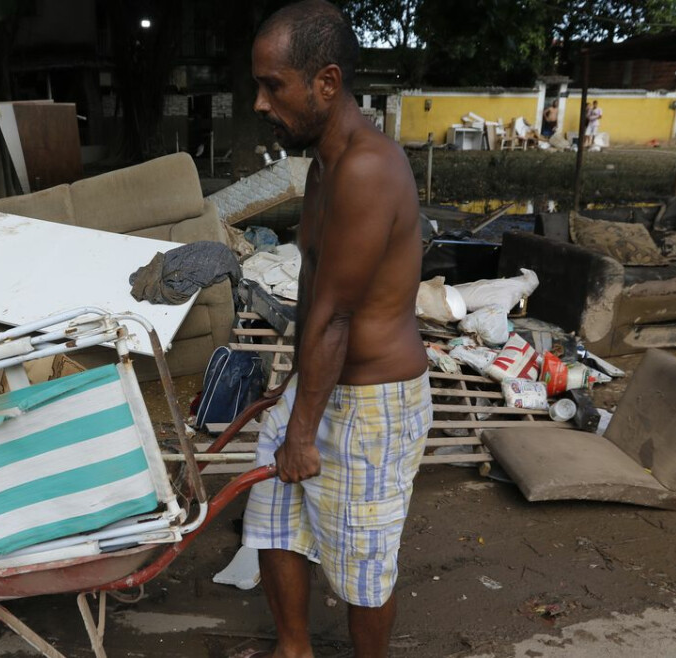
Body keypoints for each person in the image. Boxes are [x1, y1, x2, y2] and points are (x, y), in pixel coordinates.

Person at [242, 2, 432, 657]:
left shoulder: (366, 168)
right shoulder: (324, 163)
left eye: (274, 85)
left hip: (373, 401)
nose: (261, 103)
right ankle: (294, 649)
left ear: (326, 82)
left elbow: (341, 314)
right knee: (273, 524)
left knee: (360, 563)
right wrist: (291, 391)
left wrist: (302, 431)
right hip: (323, 382)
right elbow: (315, 289)